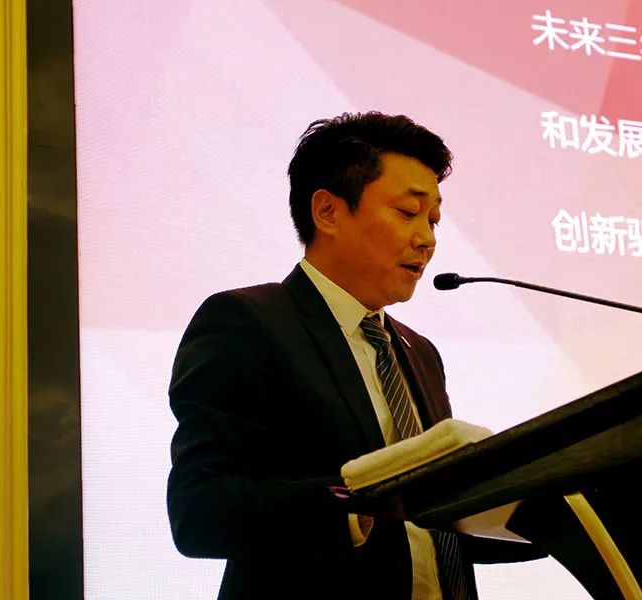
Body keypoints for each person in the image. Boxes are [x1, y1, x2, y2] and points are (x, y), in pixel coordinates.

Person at [167, 112, 542, 600]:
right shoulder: (247, 323)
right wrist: (359, 501)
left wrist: (542, 510)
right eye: (408, 213)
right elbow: (199, 511)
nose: (427, 239)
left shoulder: (420, 352)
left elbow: (431, 527)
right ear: (327, 211)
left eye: (433, 220)